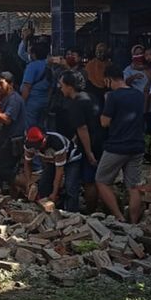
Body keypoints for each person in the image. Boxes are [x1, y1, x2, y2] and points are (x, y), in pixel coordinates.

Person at [96, 65, 146, 223]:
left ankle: (119, 217)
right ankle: (134, 222)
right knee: (133, 187)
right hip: (137, 145)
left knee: (101, 180)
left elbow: (104, 122)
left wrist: (106, 103)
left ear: (109, 79)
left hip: (117, 146)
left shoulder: (113, 97)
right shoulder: (138, 95)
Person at [59, 70, 104, 213]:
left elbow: (82, 128)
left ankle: (90, 212)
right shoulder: (91, 97)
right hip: (100, 139)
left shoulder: (76, 104)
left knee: (89, 180)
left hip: (90, 143)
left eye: (62, 85)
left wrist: (88, 152)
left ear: (69, 86)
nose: (60, 88)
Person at [23, 126, 82, 208]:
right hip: (51, 161)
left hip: (71, 160)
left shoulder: (57, 143)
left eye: (38, 144)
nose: (36, 147)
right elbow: (28, 163)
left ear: (45, 137)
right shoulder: (29, 145)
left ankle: (71, 211)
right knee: (43, 186)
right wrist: (28, 183)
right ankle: (45, 208)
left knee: (70, 186)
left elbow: (59, 172)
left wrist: (54, 193)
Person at [85, 42, 111, 107]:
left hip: (106, 94)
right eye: (98, 51)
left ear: (107, 52)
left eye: (102, 51)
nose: (99, 53)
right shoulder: (90, 65)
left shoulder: (110, 65)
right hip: (93, 94)